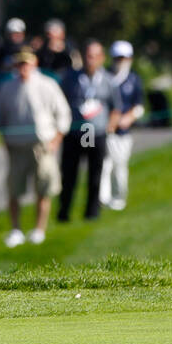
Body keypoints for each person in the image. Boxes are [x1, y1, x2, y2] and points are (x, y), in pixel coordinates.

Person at [0, 49, 71, 246]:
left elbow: (63, 114)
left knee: (43, 188)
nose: (23, 68)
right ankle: (16, 229)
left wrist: (55, 141)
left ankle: (39, 229)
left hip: (42, 145)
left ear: (34, 64)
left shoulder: (48, 84)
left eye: (26, 64)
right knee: (14, 190)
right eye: (20, 64)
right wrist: (5, 140)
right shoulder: (7, 87)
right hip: (16, 146)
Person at [57, 40, 121, 222]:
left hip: (97, 133)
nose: (89, 60)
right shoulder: (70, 78)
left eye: (93, 56)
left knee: (95, 174)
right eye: (87, 56)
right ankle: (64, 212)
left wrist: (111, 125)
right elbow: (61, 102)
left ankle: (92, 212)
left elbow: (116, 107)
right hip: (75, 133)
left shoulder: (108, 80)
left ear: (101, 58)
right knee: (69, 174)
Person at [100, 41, 145, 212]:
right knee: (104, 165)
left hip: (123, 132)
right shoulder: (104, 76)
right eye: (117, 58)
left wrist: (129, 117)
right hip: (104, 130)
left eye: (124, 58)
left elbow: (139, 105)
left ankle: (119, 198)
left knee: (119, 165)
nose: (120, 61)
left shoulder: (134, 80)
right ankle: (102, 198)